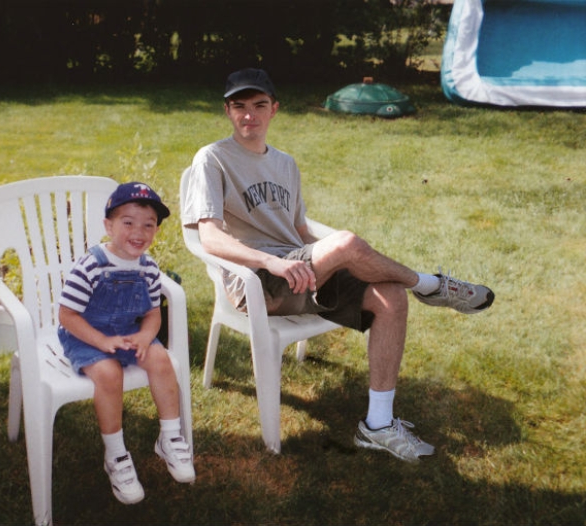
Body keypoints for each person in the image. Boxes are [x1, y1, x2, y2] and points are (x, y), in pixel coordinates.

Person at [181, 68, 495, 463]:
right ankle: (431, 284)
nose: (249, 115)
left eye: (259, 105)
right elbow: (208, 237)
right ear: (228, 111)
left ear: (274, 110)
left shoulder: (285, 164)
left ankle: (377, 425)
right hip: (257, 282)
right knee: (346, 243)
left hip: (301, 271)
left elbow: (298, 229)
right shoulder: (212, 158)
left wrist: (338, 262)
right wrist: (273, 262)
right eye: (239, 106)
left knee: (391, 296)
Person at [58, 181, 196, 504]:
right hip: (86, 335)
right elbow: (67, 316)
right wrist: (102, 341)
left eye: (149, 225)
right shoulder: (91, 265)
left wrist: (146, 336)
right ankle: (116, 455)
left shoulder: (148, 268)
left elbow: (151, 314)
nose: (139, 232)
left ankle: (170, 437)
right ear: (108, 226)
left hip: (128, 332)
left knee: (161, 360)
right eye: (128, 222)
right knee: (108, 374)